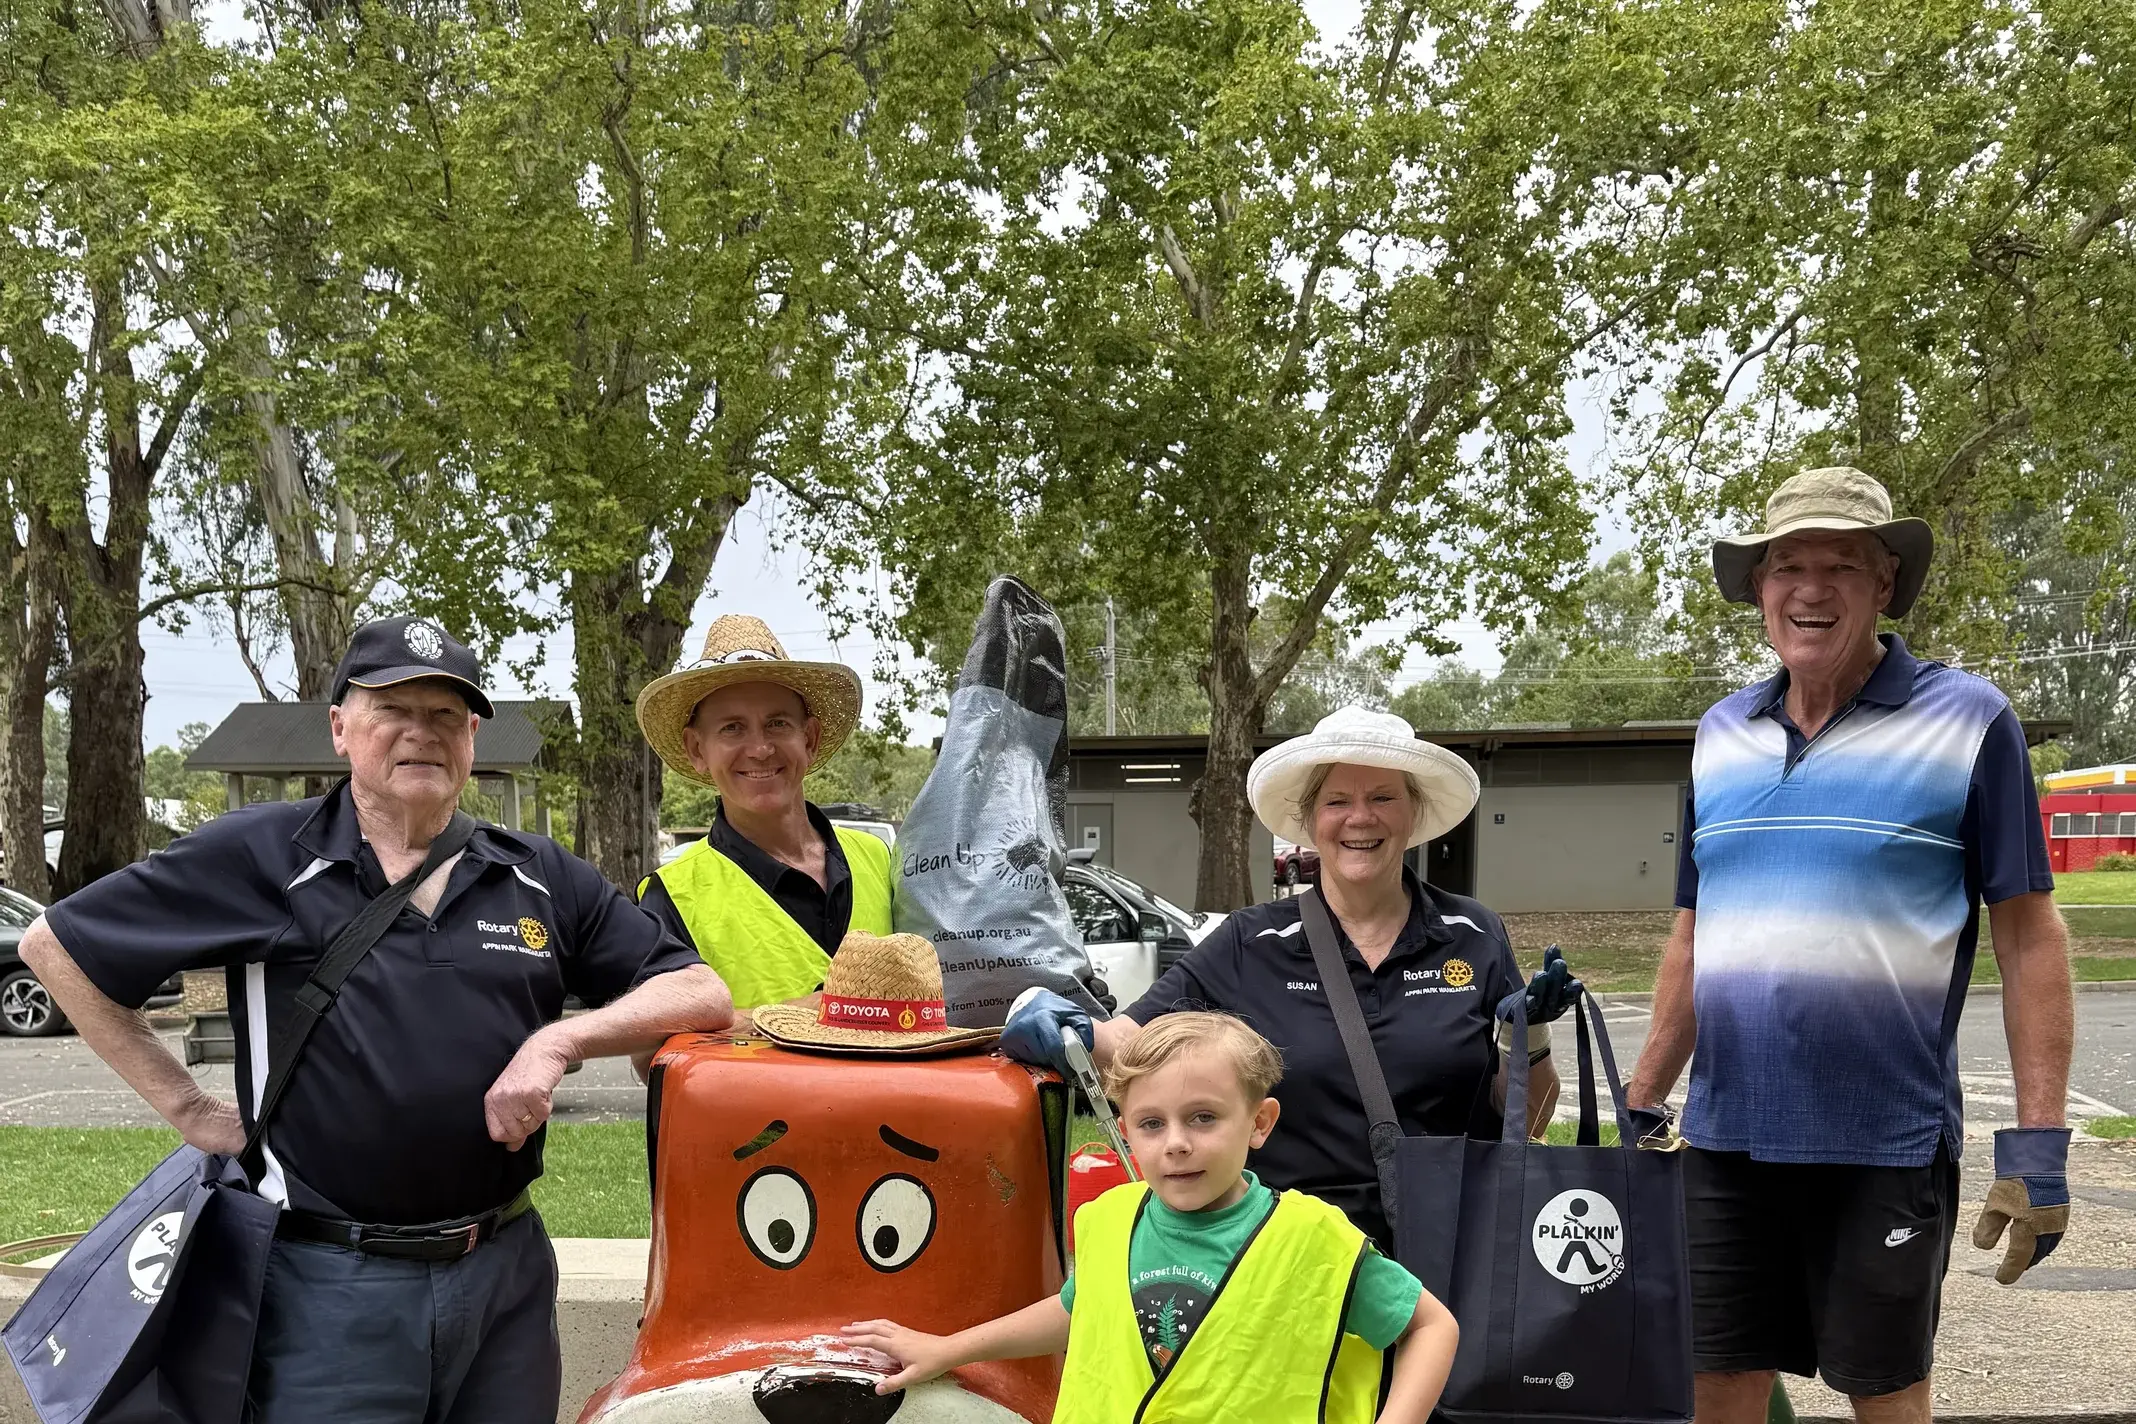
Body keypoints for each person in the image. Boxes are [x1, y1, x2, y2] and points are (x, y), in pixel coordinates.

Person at [18, 616, 733, 1422]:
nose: (420, 733)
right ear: (340, 730)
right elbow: (56, 947)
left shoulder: (535, 874)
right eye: (394, 709)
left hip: (504, 1274)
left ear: (470, 736)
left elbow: (700, 993)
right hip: (330, 1287)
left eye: (444, 715)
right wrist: (185, 1107)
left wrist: (558, 1040)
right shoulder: (261, 856)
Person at [1622, 467, 2074, 1424]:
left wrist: (2038, 1141)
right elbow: (1696, 935)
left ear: (1884, 588)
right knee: (1717, 1388)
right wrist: (1639, 1099)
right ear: (1758, 591)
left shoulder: (1971, 722)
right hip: (1726, 1140)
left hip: (1886, 1141)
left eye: (1842, 565)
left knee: (1886, 1393)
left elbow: (2030, 938)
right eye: (1787, 566)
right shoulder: (1719, 736)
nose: (1810, 589)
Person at [1001, 705, 1575, 1250]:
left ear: (1412, 812)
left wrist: (1529, 1037)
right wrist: (1057, 1021)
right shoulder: (1249, 944)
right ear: (1308, 819)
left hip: (1455, 1256)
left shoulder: (1473, 933)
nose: (1361, 817)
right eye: (1337, 800)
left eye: (1383, 797)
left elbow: (1530, 1121)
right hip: (1290, 1263)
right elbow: (1129, 1044)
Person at [843, 1012, 1461, 1422]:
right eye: (1151, 1124)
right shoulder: (1111, 1222)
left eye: (1203, 1118)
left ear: (1260, 1123)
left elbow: (1431, 1327)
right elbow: (1077, 1309)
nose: (1176, 1144)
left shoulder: (1313, 1242)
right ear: (1124, 1130)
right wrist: (949, 1349)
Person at [634, 614, 891, 1019]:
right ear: (697, 749)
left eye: (777, 723)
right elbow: (653, 1048)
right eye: (732, 728)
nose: (760, 748)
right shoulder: (672, 895)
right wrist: (806, 1014)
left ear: (809, 738)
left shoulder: (881, 861)